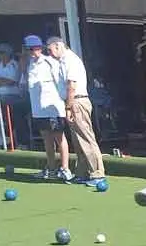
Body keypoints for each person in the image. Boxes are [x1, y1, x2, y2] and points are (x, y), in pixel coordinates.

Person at [46, 37, 107, 187]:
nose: (49, 53)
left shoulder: (70, 60)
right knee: (77, 140)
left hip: (77, 102)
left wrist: (69, 107)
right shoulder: (62, 61)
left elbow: (71, 85)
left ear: (58, 46)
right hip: (73, 102)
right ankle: (82, 173)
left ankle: (97, 174)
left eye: (50, 49)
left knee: (86, 138)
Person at [23, 35, 73, 183]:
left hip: (53, 107)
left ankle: (65, 169)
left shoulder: (51, 62)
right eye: (29, 49)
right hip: (38, 110)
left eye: (35, 48)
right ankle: (51, 168)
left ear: (40, 48)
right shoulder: (30, 64)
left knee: (59, 137)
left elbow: (61, 84)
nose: (32, 52)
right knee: (46, 138)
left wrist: (65, 104)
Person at [0, 43, 29, 147]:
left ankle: (7, 133)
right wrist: (2, 80)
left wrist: (1, 80)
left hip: (13, 95)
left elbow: (12, 81)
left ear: (8, 54)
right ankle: (4, 129)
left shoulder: (14, 65)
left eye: (2, 52)